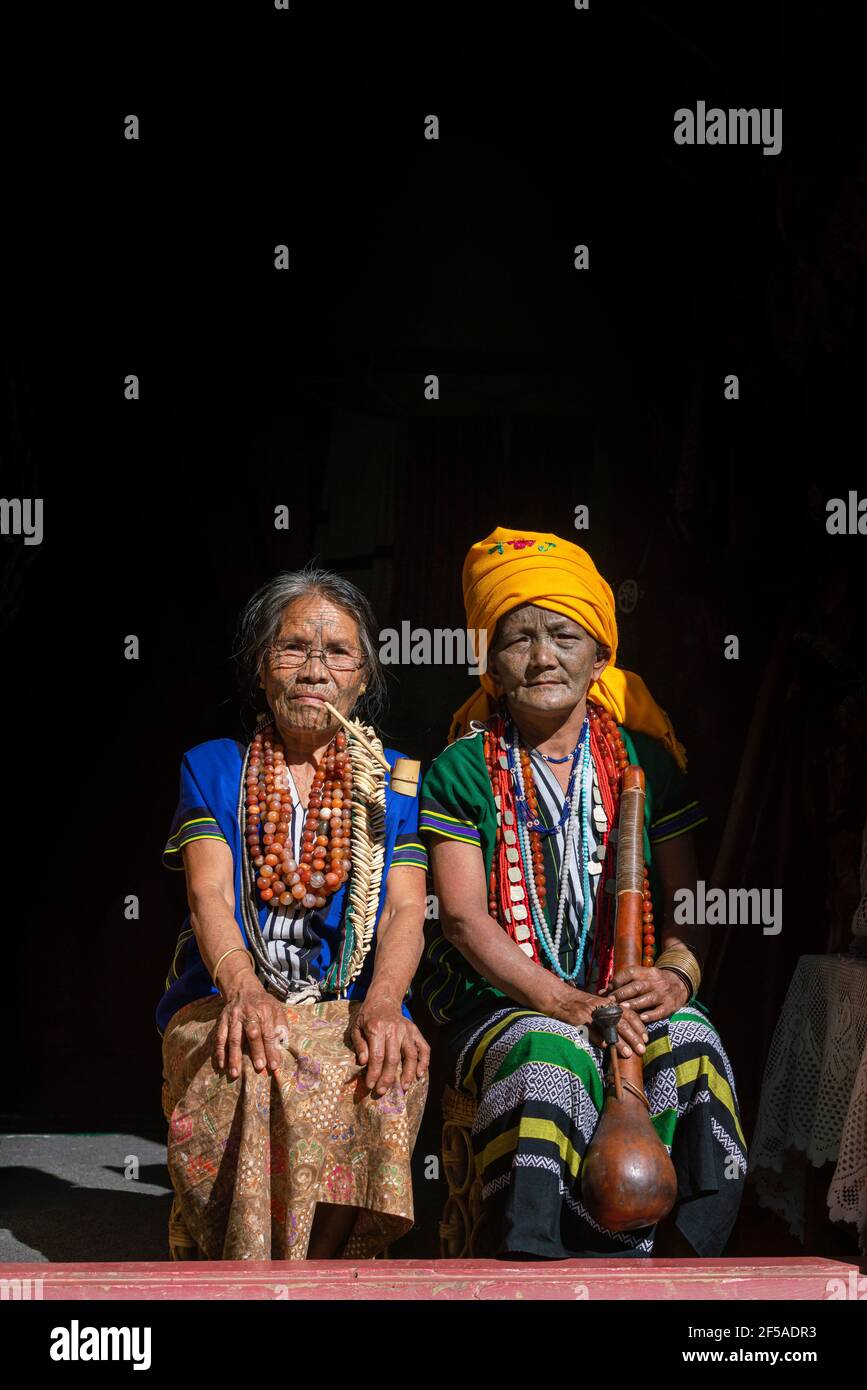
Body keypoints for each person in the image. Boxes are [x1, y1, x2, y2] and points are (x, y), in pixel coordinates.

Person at [420, 527, 746, 1258]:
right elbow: (466, 922)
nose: (541, 657)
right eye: (517, 639)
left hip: (623, 996)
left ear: (600, 655)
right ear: (491, 666)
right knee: (549, 1053)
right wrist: (568, 1003)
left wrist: (674, 975)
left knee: (692, 1041)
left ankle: (690, 1265)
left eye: (563, 635)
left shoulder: (644, 762)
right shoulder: (461, 770)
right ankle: (534, 1263)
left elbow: (689, 904)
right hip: (506, 1003)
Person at [158, 566, 430, 1260]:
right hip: (226, 996)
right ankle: (246, 1265)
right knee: (257, 1051)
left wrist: (384, 1002)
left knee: (385, 1059)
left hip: (347, 1002)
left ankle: (326, 1266)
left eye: (336, 652)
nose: (314, 670)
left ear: (363, 677)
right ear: (261, 669)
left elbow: (404, 910)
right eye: (292, 649)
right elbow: (209, 894)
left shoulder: (392, 777)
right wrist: (245, 992)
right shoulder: (214, 766)